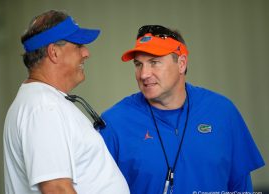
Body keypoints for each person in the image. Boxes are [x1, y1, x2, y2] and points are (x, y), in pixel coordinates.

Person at [100, 25, 265, 194]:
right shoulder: (114, 123)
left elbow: (241, 186)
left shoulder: (222, 112)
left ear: (181, 63)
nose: (143, 74)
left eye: (154, 62)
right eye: (138, 64)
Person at [3, 10, 129, 194]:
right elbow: (56, 189)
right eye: (79, 46)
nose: (86, 53)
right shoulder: (44, 107)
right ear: (54, 52)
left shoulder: (41, 101)